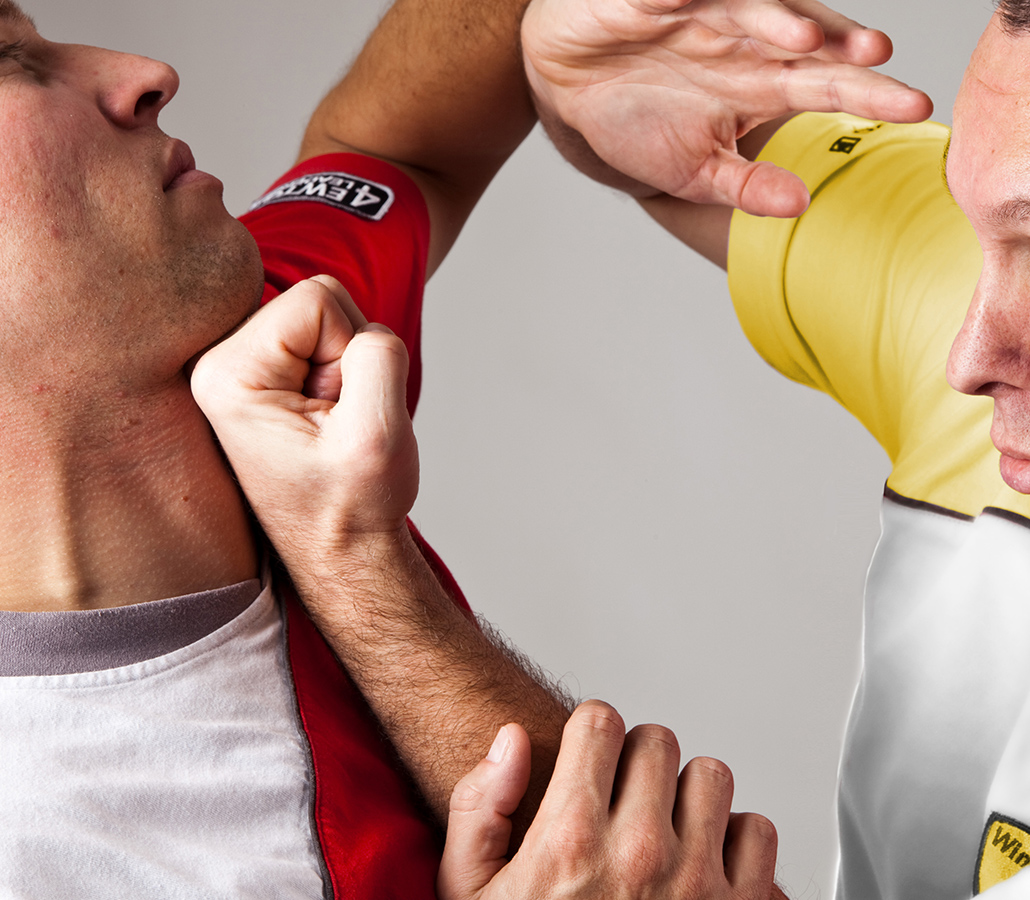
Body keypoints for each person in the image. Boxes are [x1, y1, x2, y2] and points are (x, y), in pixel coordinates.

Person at [203, 0, 1030, 898]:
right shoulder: (990, 281)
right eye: (977, 231)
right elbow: (669, 137)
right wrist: (558, 60)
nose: (970, 352)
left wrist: (352, 554)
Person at [0, 0, 926, 895]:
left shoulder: (283, 342)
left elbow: (390, 147)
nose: (145, 74)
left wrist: (564, 48)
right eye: (11, 62)